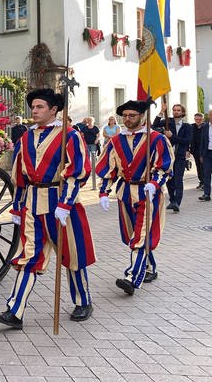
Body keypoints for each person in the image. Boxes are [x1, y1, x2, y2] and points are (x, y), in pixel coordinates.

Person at [0, 89, 96, 330]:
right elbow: (19, 174)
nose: (35, 111)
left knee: (72, 254)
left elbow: (78, 171)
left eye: (40, 107)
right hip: (32, 202)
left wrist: (65, 203)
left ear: (53, 110)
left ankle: (83, 301)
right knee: (29, 256)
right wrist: (18, 207)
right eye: (33, 106)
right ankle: (15, 311)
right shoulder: (26, 138)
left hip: (60, 203)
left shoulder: (69, 136)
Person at [96, 100, 173, 294]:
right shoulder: (115, 141)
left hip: (148, 193)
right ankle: (150, 267)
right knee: (132, 234)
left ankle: (132, 277)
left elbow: (165, 166)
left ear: (142, 116)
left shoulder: (156, 139)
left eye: (132, 115)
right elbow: (109, 169)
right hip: (125, 193)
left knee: (141, 234)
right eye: (125, 116)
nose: (128, 119)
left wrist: (154, 183)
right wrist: (104, 192)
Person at [152, 103, 192, 212]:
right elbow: (154, 126)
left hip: (180, 156)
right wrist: (161, 111)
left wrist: (172, 136)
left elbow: (187, 141)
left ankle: (177, 203)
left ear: (182, 112)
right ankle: (172, 200)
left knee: (178, 179)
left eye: (178, 110)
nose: (176, 112)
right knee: (169, 179)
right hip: (168, 156)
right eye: (174, 110)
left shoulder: (187, 126)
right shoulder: (168, 122)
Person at [199, 110, 212, 202]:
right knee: (206, 174)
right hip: (207, 153)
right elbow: (202, 141)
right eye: (211, 115)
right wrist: (201, 155)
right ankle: (206, 194)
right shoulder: (205, 126)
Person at [191, 112, 205, 190]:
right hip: (195, 150)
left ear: (202, 119)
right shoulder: (192, 127)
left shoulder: (206, 127)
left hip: (204, 151)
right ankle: (201, 181)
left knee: (203, 167)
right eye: (196, 119)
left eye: (199, 119)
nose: (198, 121)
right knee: (198, 166)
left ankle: (204, 182)